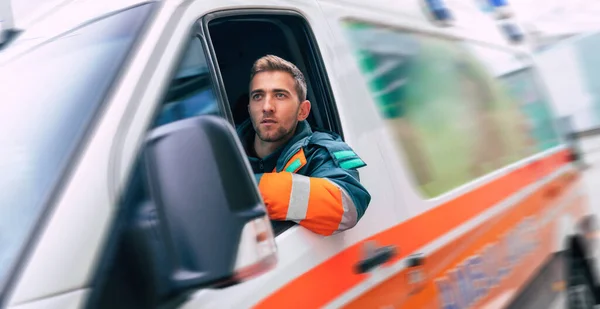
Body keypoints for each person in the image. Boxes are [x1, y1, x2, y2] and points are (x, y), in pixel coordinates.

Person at [236, 55, 371, 236]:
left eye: (280, 95)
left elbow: (347, 206)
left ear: (303, 111)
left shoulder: (318, 152)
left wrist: (247, 189)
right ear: (249, 108)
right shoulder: (219, 151)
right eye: (258, 96)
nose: (267, 106)